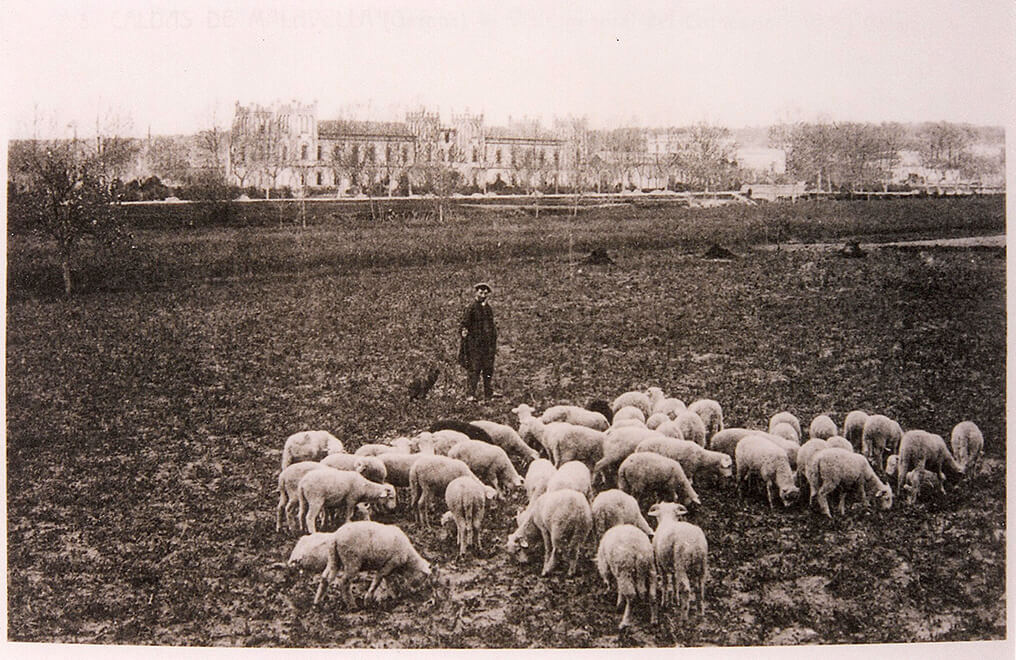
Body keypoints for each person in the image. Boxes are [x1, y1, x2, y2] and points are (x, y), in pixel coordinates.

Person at [457, 282, 498, 401]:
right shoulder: (471, 308)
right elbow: (464, 324)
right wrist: (464, 334)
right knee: (474, 368)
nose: (483, 295)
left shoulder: (488, 308)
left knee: (488, 368)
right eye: (481, 292)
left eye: (485, 293)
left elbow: (491, 325)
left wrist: (493, 339)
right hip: (475, 345)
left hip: (488, 345)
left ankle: (488, 392)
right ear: (476, 293)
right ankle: (470, 394)